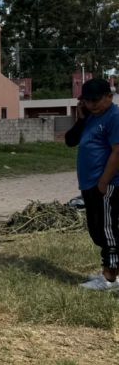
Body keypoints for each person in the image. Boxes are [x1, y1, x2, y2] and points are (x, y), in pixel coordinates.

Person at [64, 77, 119, 291]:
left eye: (95, 100)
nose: (91, 104)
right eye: (87, 100)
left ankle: (110, 278)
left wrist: (104, 182)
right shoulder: (91, 118)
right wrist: (80, 119)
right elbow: (70, 141)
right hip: (89, 185)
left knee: (108, 230)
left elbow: (117, 152)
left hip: (107, 183)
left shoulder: (114, 117)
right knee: (97, 232)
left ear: (109, 97)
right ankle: (111, 271)